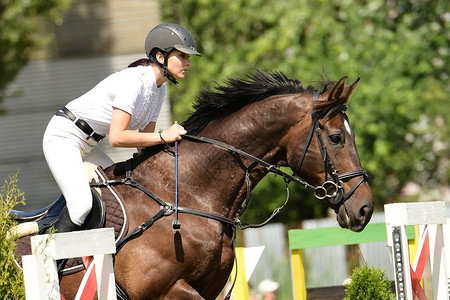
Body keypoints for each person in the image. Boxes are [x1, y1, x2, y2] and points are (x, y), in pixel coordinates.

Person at [42, 23, 201, 233]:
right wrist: (164, 136)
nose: (188, 62)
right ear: (160, 57)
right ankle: (48, 259)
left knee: (118, 192)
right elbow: (117, 138)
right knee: (81, 206)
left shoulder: (159, 90)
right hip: (63, 137)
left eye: (188, 57)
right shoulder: (133, 81)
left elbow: (143, 145)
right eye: (182, 56)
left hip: (88, 144)